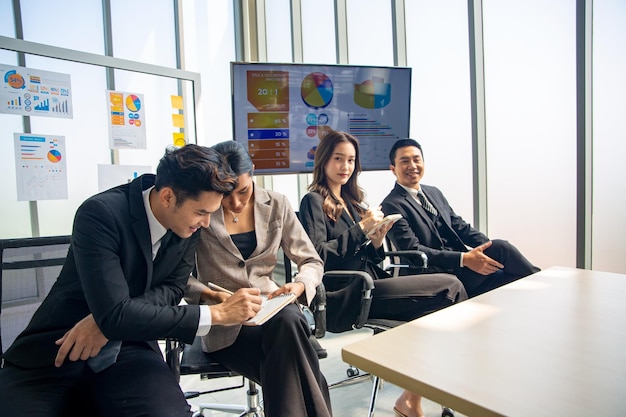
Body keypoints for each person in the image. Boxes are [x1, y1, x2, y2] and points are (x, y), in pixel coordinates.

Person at [0, 144, 264, 417]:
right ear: (168, 197)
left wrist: (108, 321)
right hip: (57, 348)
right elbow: (116, 315)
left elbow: (172, 289)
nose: (208, 223)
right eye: (201, 213)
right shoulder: (100, 214)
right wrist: (215, 314)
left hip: (129, 348)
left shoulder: (188, 225)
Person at [299, 130, 467, 417]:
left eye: (351, 160)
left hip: (372, 283)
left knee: (434, 313)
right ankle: (451, 383)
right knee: (451, 286)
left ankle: (412, 397)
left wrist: (376, 240)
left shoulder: (353, 203)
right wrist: (361, 230)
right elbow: (319, 257)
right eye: (338, 159)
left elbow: (368, 255)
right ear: (324, 160)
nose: (345, 166)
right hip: (348, 295)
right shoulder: (313, 201)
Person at [185, 140, 332, 417]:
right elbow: (180, 278)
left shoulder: (276, 204)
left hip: (272, 309)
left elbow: (311, 260)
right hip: (227, 325)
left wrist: (300, 284)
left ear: (252, 172)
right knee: (295, 361)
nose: (236, 202)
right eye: (226, 194)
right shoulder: (203, 210)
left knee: (287, 320)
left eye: (242, 191)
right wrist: (215, 297)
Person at [381, 138, 540, 298]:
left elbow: (461, 228)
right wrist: (464, 259)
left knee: (514, 278)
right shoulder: (391, 205)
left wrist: (484, 250)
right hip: (435, 274)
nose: (413, 166)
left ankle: (542, 292)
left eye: (417, 160)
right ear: (393, 169)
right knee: (502, 248)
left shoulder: (433, 193)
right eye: (405, 161)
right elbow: (413, 251)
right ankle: (546, 285)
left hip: (462, 271)